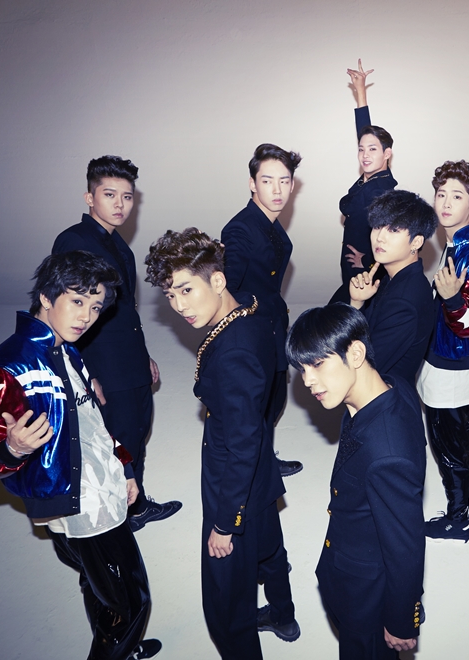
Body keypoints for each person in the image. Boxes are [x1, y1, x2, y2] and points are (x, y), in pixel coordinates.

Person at [0, 251, 161, 660]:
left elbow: (93, 425)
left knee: (98, 587)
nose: (87, 316)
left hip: (99, 485)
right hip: (80, 505)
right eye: (77, 301)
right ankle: (118, 644)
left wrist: (124, 468)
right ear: (45, 297)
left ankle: (121, 647)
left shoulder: (67, 350)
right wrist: (14, 448)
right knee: (132, 601)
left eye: (95, 307)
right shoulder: (6, 370)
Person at [144, 228, 298, 659]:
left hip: (233, 482)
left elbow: (242, 445)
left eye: (186, 290)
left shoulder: (234, 356)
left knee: (225, 603)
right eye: (170, 295)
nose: (179, 306)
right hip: (260, 477)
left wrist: (225, 525)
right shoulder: (251, 305)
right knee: (269, 550)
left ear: (217, 280)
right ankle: (283, 615)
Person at [286, 304, 425, 659]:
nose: (308, 380)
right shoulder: (390, 387)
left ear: (357, 354)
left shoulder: (387, 455)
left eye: (318, 364)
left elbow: (405, 546)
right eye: (302, 369)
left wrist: (402, 619)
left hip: (367, 593)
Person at [53, 155, 181, 531]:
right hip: (103, 364)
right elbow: (68, 313)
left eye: (127, 196)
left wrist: (144, 356)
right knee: (117, 438)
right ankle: (116, 519)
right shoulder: (74, 241)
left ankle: (136, 506)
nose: (120, 204)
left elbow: (124, 310)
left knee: (136, 430)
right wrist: (83, 372)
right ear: (89, 197)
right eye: (109, 194)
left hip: (128, 359)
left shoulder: (115, 242)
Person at [418, 160, 469, 542]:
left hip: (452, 364)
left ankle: (457, 517)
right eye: (441, 194)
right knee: (467, 426)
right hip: (459, 360)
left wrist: (450, 300)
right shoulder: (460, 240)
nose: (446, 203)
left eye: (457, 196)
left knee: (446, 443)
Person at [221, 143, 303, 477]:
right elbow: (227, 291)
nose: (277, 189)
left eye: (284, 181)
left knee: (274, 398)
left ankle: (263, 460)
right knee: (257, 403)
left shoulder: (270, 224)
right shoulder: (241, 229)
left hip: (273, 325)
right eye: (267, 181)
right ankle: (251, 469)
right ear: (253, 184)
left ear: (292, 185)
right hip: (253, 331)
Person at [348, 190, 436, 385]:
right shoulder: (391, 280)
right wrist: (357, 302)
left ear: (416, 242)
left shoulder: (404, 299)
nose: (380, 237)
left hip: (384, 398)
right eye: (377, 226)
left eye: (394, 230)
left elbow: (364, 364)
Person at [329, 59, 398, 305]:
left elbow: (391, 237)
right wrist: (360, 93)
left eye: (373, 149)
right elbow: (365, 132)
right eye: (361, 149)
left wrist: (369, 263)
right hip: (351, 267)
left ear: (387, 154)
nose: (365, 155)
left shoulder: (383, 190)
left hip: (364, 274)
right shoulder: (372, 178)